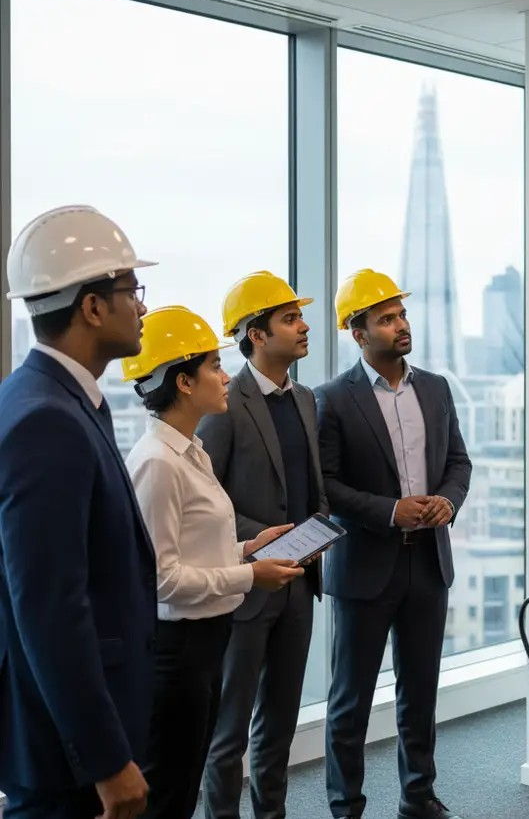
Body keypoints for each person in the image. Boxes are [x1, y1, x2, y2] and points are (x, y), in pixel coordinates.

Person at [0, 205, 157, 819]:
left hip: (64, 737)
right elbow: (49, 606)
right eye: (130, 290)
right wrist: (106, 760)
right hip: (65, 756)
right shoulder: (47, 419)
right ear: (91, 307)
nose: (141, 306)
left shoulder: (49, 398)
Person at [121, 305, 305, 819]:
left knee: (184, 778)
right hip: (178, 648)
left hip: (206, 639)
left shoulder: (191, 451)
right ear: (183, 381)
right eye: (213, 369)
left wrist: (248, 547)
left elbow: (192, 549)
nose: (226, 377)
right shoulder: (157, 463)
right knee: (170, 791)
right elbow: (162, 580)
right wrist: (252, 574)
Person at [316, 269, 473, 819]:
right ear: (357, 333)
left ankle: (418, 795)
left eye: (401, 315)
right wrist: (388, 511)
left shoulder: (435, 387)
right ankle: (345, 806)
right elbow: (326, 486)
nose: (401, 325)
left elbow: (458, 461)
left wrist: (447, 502)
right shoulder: (332, 398)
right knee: (350, 699)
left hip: (428, 563)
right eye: (386, 319)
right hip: (364, 566)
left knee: (420, 691)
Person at [200, 271, 329, 819]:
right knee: (229, 731)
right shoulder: (223, 402)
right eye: (290, 318)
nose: (304, 327)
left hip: (299, 583)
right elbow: (208, 501)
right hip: (247, 585)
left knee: (279, 721)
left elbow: (308, 487)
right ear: (256, 333)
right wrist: (262, 543)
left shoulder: (303, 398)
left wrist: (316, 531)